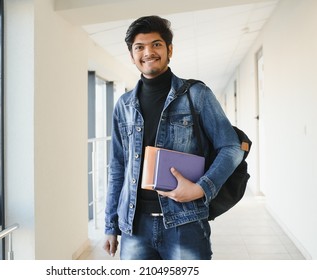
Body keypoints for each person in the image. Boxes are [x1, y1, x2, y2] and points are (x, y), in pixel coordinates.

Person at [103, 15, 244, 260]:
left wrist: (201, 189)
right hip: (135, 226)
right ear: (132, 55)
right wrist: (110, 226)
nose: (148, 52)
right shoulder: (123, 105)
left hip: (185, 222)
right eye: (140, 47)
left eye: (156, 44)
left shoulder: (197, 95)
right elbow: (117, 167)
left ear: (169, 49)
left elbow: (231, 147)